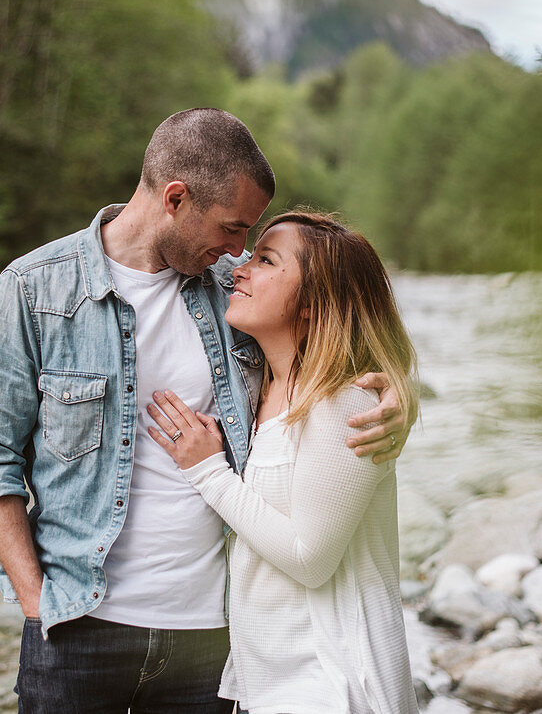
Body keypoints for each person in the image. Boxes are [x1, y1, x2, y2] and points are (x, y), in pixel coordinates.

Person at [0, 109, 410, 713]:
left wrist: (400, 391)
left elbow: (338, 337)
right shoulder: (34, 289)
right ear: (175, 198)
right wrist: (35, 600)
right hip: (77, 629)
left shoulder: (235, 291)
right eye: (231, 227)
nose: (239, 249)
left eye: (250, 239)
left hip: (214, 643)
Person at [148, 211, 420, 714]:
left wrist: (208, 472)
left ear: (314, 303)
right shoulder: (262, 391)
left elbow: (310, 559)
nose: (239, 270)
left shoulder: (347, 403)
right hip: (275, 679)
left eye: (266, 260)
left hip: (332, 681)